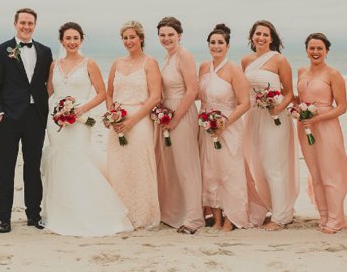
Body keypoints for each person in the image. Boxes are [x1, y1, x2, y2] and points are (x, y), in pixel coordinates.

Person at [41, 22, 131, 236]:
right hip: (56, 123)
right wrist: (55, 114)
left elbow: (101, 93)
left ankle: (86, 211)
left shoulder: (89, 64)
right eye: (68, 38)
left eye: (75, 38)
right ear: (62, 41)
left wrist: (80, 110)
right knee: (59, 161)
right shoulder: (55, 65)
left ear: (81, 40)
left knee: (79, 160)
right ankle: (60, 212)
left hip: (80, 121)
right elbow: (48, 92)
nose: (72, 42)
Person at [0, 8, 52, 233]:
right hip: (9, 118)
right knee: (6, 167)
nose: (26, 26)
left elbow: (47, 84)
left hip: (35, 117)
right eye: (22, 22)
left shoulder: (45, 51)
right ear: (15, 24)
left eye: (30, 23)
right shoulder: (1, 50)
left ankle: (33, 214)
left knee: (33, 167)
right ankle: (4, 217)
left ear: (35, 25)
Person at [198, 23, 259, 232]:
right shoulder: (204, 68)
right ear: (208, 45)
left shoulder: (233, 70)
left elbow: (245, 103)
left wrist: (224, 123)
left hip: (229, 126)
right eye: (213, 42)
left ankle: (231, 218)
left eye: (220, 43)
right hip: (207, 126)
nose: (216, 46)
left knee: (230, 170)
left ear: (228, 46)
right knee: (210, 171)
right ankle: (216, 217)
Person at [241, 20, 300, 230]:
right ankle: (268, 205)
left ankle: (281, 216)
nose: (261, 38)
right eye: (258, 34)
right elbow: (243, 92)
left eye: (266, 35)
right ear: (252, 37)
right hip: (254, 116)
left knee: (274, 164)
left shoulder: (279, 60)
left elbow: (289, 92)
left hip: (275, 117)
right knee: (258, 164)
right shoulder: (246, 61)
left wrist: (277, 108)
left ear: (272, 38)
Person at [105, 21, 162, 229]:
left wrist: (132, 121)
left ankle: (142, 215)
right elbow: (109, 93)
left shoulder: (150, 63)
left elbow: (155, 97)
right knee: (118, 169)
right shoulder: (117, 63)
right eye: (125, 38)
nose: (129, 41)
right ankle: (119, 213)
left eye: (132, 37)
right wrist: (113, 115)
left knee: (139, 167)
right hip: (117, 122)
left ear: (141, 39)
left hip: (139, 122)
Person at [295, 33, 347, 233]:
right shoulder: (301, 71)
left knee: (330, 173)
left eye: (320, 48)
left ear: (326, 51)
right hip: (305, 127)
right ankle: (324, 216)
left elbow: (341, 107)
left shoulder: (333, 74)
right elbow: (299, 98)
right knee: (315, 173)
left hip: (326, 126)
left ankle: (336, 219)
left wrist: (317, 118)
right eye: (312, 48)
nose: (315, 52)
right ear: (306, 50)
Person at [155, 17, 203, 234]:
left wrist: (175, 119)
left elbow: (192, 90)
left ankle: (194, 219)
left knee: (187, 165)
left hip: (182, 112)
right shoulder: (167, 57)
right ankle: (175, 213)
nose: (166, 38)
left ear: (179, 36)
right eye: (163, 35)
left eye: (170, 35)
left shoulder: (184, 55)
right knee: (172, 167)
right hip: (167, 112)